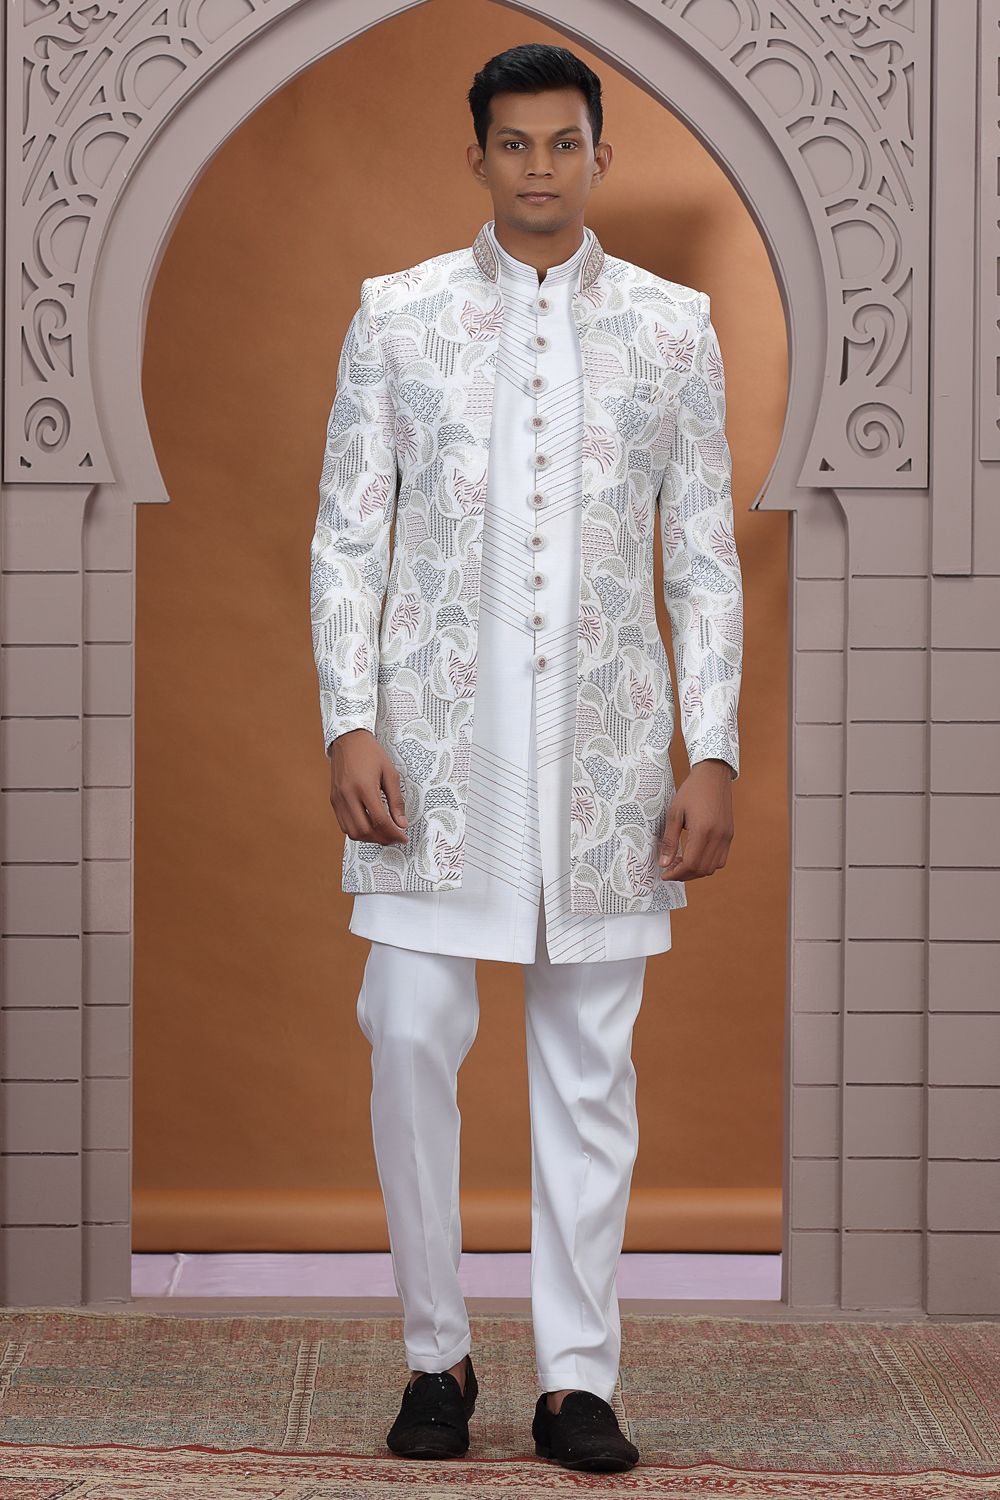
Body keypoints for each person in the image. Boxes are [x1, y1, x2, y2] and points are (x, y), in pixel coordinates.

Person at [309, 41, 743, 1473]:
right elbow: (347, 538)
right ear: (478, 155)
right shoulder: (399, 317)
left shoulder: (674, 329)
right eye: (515, 143)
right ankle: (436, 1355)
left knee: (589, 1069)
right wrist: (348, 717)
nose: (540, 167)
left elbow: (703, 560)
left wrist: (713, 747)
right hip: (436, 761)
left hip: (605, 762)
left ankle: (575, 1382)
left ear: (600, 156)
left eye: (564, 143)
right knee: (406, 1028)